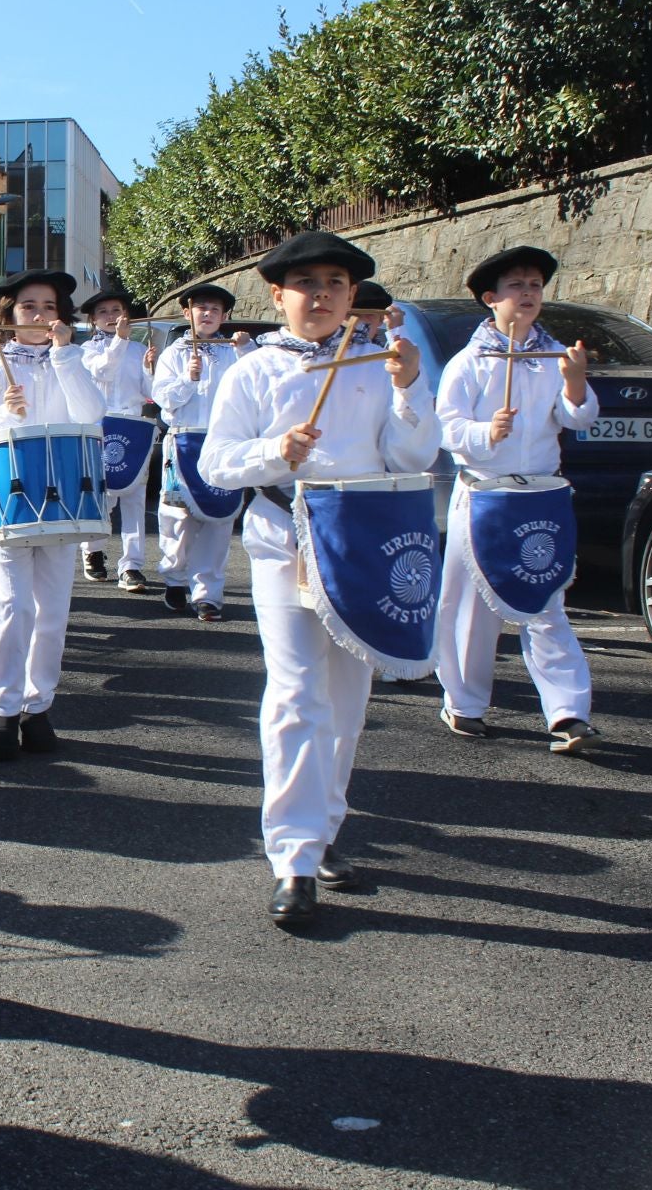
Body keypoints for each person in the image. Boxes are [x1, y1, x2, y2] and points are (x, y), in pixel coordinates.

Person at [201, 231, 440, 927]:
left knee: (346, 699)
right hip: (285, 538)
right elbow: (216, 464)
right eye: (307, 284)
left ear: (352, 294)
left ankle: (325, 828)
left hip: (361, 542)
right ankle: (294, 857)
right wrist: (275, 452)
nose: (322, 295)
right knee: (297, 693)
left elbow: (413, 456)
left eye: (336, 283)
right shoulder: (253, 370)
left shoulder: (377, 361)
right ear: (278, 296)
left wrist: (408, 390)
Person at [434, 246, 601, 751]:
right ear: (491, 298)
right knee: (472, 606)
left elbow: (577, 418)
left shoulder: (554, 357)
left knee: (546, 602)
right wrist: (486, 432)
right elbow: (448, 428)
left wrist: (575, 384)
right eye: (516, 286)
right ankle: (464, 703)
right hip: (483, 494)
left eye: (534, 286)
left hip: (539, 496)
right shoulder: (469, 363)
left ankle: (568, 712)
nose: (528, 294)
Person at [0, 269, 105, 762]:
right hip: (9, 506)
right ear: (10, 315)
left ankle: (38, 707)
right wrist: (3, 414)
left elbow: (91, 415)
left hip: (64, 506)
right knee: (11, 607)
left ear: (61, 316)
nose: (39, 315)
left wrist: (64, 355)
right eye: (28, 307)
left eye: (48, 306)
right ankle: (2, 709)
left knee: (52, 613)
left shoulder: (73, 362)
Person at [152, 283, 249, 620]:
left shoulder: (233, 353)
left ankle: (208, 593)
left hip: (222, 442)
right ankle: (175, 577)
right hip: (183, 441)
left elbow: (253, 391)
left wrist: (246, 351)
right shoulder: (174, 354)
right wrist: (187, 379)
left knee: (219, 520)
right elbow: (164, 401)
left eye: (215, 310)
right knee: (179, 518)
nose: (207, 314)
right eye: (201, 308)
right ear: (187, 312)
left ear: (224, 316)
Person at [78, 288, 156, 591]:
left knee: (135, 497)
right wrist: (120, 341)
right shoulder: (88, 350)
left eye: (116, 310)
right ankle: (93, 550)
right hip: (102, 426)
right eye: (103, 312)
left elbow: (151, 391)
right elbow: (103, 372)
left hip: (133, 426)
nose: (111, 316)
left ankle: (132, 565)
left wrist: (150, 367)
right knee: (102, 495)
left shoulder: (138, 349)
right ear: (94, 319)